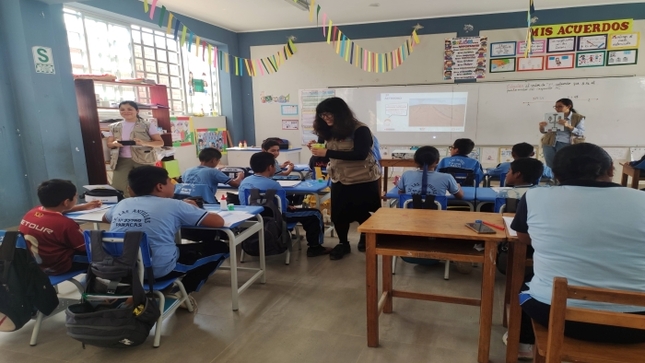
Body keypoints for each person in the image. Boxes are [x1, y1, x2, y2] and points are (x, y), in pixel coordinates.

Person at [510, 143, 645, 359]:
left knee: (527, 279)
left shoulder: (535, 197)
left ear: (555, 173)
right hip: (637, 323)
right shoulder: (641, 200)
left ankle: (524, 345)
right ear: (611, 169)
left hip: (557, 315)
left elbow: (524, 238)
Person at [103, 166, 227, 308]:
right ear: (160, 186)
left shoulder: (122, 203)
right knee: (220, 247)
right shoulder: (175, 205)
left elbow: (105, 218)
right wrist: (194, 208)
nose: (173, 184)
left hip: (120, 270)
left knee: (162, 246)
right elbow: (218, 222)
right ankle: (182, 293)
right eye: (170, 181)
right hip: (156, 270)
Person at [308, 97, 381, 259]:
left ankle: (365, 235)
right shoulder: (326, 131)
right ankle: (343, 243)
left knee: (363, 212)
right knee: (339, 215)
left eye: (328, 115)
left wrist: (327, 152)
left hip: (363, 179)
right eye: (322, 115)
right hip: (339, 178)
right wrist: (316, 152)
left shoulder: (360, 129)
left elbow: (360, 154)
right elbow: (325, 158)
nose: (325, 119)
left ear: (340, 114)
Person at [238, 152, 331, 257]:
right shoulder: (273, 185)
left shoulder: (244, 182)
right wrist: (288, 205)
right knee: (315, 214)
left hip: (251, 217)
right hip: (275, 218)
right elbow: (282, 208)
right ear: (270, 167)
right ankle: (315, 247)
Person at [19, 179, 101, 275]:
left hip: (35, 265)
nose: (77, 199)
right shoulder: (66, 224)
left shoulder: (32, 213)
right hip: (58, 267)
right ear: (66, 202)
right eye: (76, 196)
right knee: (101, 255)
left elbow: (57, 210)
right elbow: (86, 247)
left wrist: (83, 207)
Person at [106, 101, 164, 198]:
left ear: (137, 111)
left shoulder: (147, 125)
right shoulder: (114, 126)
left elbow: (160, 142)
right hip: (121, 160)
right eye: (122, 110)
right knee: (119, 187)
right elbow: (109, 144)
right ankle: (126, 207)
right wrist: (114, 144)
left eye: (130, 109)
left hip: (144, 159)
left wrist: (144, 143)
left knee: (146, 186)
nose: (126, 112)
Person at [397, 146, 464, 199]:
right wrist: (458, 186)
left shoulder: (406, 175)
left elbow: (401, 193)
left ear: (416, 161)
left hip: (410, 213)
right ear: (437, 161)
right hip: (437, 214)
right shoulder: (447, 177)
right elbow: (459, 196)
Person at [539, 98, 585, 168]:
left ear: (568, 106)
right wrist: (542, 127)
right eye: (555, 107)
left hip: (566, 143)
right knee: (550, 165)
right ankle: (552, 178)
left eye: (560, 106)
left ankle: (563, 179)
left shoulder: (578, 117)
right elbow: (544, 131)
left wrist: (568, 126)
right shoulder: (551, 116)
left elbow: (580, 132)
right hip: (549, 143)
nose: (557, 109)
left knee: (564, 165)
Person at [486, 142, 554, 184]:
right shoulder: (540, 166)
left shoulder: (504, 166)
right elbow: (552, 175)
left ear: (513, 154)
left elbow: (490, 172)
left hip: (507, 197)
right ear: (532, 154)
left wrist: (488, 169)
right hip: (531, 195)